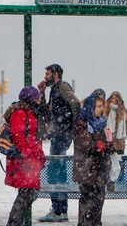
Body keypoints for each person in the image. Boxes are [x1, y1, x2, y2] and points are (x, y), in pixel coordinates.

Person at [37, 64, 81, 223]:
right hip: (58, 134)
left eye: (47, 73)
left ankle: (59, 210)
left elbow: (75, 104)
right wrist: (40, 93)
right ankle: (59, 210)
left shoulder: (62, 87)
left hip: (61, 135)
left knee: (56, 173)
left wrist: (69, 126)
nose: (45, 77)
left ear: (55, 74)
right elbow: (46, 112)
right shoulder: (54, 90)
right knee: (56, 172)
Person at [5, 86, 48, 226]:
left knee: (28, 194)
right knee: (26, 194)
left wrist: (37, 155)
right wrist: (32, 153)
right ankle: (14, 222)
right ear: (30, 100)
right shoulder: (20, 113)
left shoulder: (30, 112)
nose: (39, 101)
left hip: (30, 161)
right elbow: (19, 137)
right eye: (37, 98)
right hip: (24, 162)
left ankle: (16, 221)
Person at [73, 92, 110, 226]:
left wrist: (107, 144)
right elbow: (85, 144)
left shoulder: (101, 124)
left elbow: (106, 145)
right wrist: (99, 145)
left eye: (102, 106)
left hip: (100, 170)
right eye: (98, 106)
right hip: (87, 169)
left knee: (98, 202)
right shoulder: (81, 123)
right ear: (90, 107)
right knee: (88, 202)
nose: (101, 109)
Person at [105, 91, 127, 189]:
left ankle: (114, 182)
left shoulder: (124, 111)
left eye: (116, 98)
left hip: (119, 141)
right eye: (112, 97)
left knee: (119, 163)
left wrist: (122, 134)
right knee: (109, 162)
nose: (114, 99)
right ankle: (109, 182)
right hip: (109, 141)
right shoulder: (106, 109)